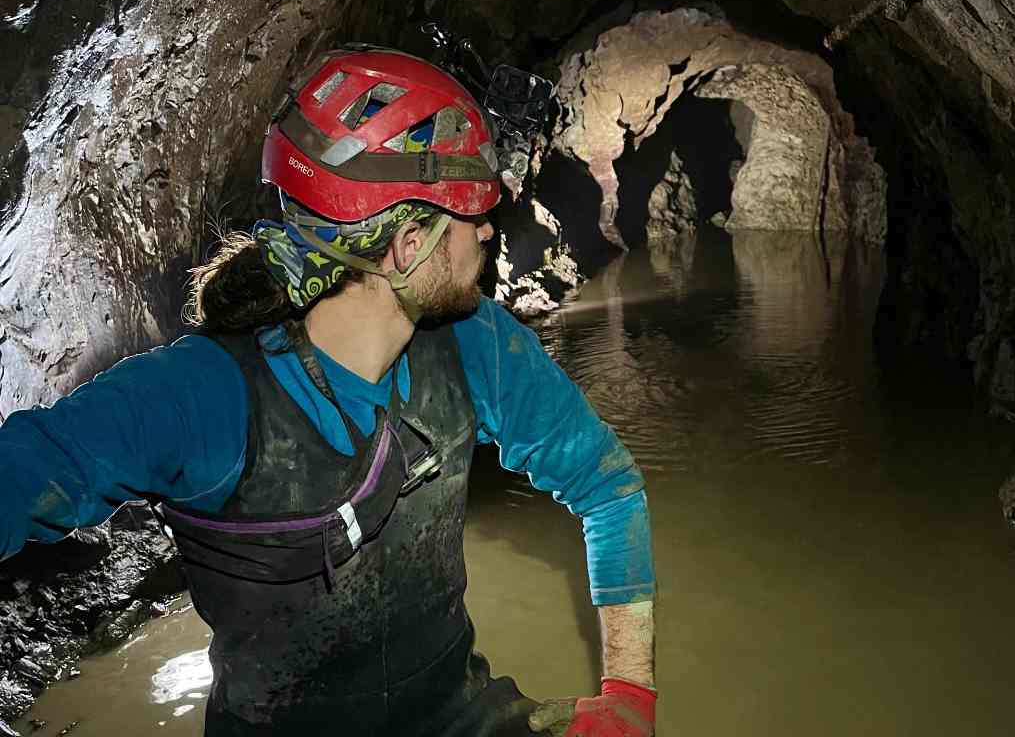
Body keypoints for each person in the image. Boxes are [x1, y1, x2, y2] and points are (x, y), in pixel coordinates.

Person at [0, 49, 657, 737]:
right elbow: (25, 471)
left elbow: (608, 489)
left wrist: (628, 698)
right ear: (409, 245)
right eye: (471, 213)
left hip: (461, 719)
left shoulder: (475, 343)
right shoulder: (202, 395)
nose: (490, 228)